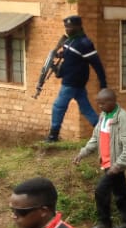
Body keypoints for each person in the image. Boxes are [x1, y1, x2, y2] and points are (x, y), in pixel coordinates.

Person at [73, 88, 126, 228]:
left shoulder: (122, 118)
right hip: (106, 163)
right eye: (98, 103)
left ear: (112, 101)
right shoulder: (103, 116)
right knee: (121, 193)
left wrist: (118, 165)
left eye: (102, 103)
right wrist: (82, 153)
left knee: (101, 191)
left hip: (115, 164)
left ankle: (104, 223)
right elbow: (95, 138)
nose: (100, 106)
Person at [45, 15, 108, 143]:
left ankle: (53, 136)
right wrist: (59, 54)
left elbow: (97, 64)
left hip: (72, 82)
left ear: (78, 27)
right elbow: (70, 54)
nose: (67, 29)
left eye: (70, 27)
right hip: (75, 82)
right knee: (85, 108)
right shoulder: (70, 41)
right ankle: (103, 131)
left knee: (58, 106)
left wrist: (103, 83)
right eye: (66, 27)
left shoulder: (85, 43)